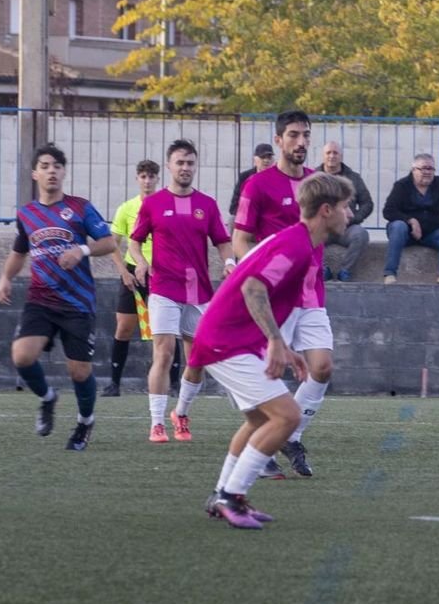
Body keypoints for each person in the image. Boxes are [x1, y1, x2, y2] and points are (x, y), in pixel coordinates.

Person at [196, 173, 354, 529]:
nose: (350, 215)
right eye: (346, 207)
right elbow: (253, 288)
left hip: (228, 338)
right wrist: (276, 341)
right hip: (225, 341)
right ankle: (230, 497)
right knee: (287, 417)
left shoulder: (302, 243)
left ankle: (222, 493)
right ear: (326, 210)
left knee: (258, 420)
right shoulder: (297, 245)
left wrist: (284, 344)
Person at [0, 143, 117, 451]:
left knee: (79, 371)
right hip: (41, 300)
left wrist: (82, 249)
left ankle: (85, 422)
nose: (52, 171)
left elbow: (109, 242)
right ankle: (48, 398)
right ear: (35, 173)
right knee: (21, 356)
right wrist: (6, 278)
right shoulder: (27, 214)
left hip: (77, 303)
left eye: (57, 166)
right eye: (45, 166)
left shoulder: (79, 208)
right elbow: (19, 251)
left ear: (64, 172)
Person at [233, 110, 333, 478]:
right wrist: (260, 271)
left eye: (306, 135)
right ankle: (257, 453)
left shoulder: (318, 182)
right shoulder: (257, 186)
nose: (301, 142)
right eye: (293, 135)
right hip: (275, 300)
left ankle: (293, 435)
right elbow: (240, 240)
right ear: (278, 140)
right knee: (268, 377)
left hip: (311, 293)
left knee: (322, 367)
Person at [129, 140, 235, 444]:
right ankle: (157, 423)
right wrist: (140, 263)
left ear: (195, 166)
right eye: (179, 163)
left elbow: (223, 241)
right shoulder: (153, 203)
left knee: (198, 359)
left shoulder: (208, 204)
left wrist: (229, 262)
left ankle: (181, 413)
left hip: (199, 292)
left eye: (190, 163)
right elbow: (134, 241)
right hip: (163, 288)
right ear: (170, 166)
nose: (185, 168)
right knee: (163, 353)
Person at [105, 159, 183, 398]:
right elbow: (112, 244)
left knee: (168, 330)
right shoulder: (126, 208)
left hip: (163, 271)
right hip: (133, 271)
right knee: (124, 327)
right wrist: (124, 272)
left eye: (151, 176)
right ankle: (114, 383)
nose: (147, 181)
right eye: (143, 176)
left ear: (158, 178)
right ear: (137, 179)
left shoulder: (168, 204)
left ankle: (174, 384)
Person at [381, 153, 439, 284]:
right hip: (406, 233)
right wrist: (410, 220)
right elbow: (388, 211)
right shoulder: (402, 185)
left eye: (431, 169)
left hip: (431, 233)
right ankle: (390, 274)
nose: (427, 172)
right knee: (398, 226)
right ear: (414, 170)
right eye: (423, 168)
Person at [319, 140, 373, 282]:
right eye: (328, 153)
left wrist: (354, 218)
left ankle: (345, 271)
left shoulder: (354, 177)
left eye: (335, 153)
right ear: (323, 156)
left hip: (347, 227)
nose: (332, 156)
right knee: (306, 235)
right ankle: (323, 270)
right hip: (323, 228)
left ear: (341, 156)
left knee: (361, 235)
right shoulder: (314, 177)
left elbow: (367, 203)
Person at [229, 143, 276, 217]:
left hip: (270, 218)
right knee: (232, 219)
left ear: (273, 160)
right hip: (249, 216)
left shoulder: (278, 178)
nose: (266, 160)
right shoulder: (245, 177)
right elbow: (234, 206)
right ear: (255, 159)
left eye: (269, 157)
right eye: (263, 157)